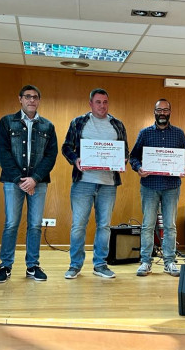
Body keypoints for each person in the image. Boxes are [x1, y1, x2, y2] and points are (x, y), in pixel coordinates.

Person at [62, 88, 129, 279]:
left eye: (105, 102)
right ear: (90, 104)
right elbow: (66, 147)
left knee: (104, 226)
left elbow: (125, 151)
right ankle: (75, 265)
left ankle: (100, 264)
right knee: (78, 226)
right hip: (83, 182)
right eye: (98, 102)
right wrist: (75, 159)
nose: (102, 105)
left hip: (108, 184)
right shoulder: (79, 122)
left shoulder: (117, 124)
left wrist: (122, 160)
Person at [0, 85, 58, 283]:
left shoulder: (48, 126)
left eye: (36, 97)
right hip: (13, 182)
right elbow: (3, 153)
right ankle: (5, 266)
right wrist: (20, 180)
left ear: (39, 101)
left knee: (35, 225)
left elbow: (51, 155)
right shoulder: (7, 122)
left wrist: (34, 179)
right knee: (11, 223)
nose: (32, 100)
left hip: (38, 183)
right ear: (20, 99)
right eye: (28, 97)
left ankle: (32, 266)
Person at [129, 98, 185, 277]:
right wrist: (138, 168)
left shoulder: (179, 134)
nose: (162, 113)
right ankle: (145, 262)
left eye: (165, 110)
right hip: (149, 186)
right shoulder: (145, 133)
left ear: (170, 112)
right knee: (148, 225)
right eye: (159, 110)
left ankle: (169, 262)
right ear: (154, 112)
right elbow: (133, 156)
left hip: (171, 187)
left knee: (170, 226)